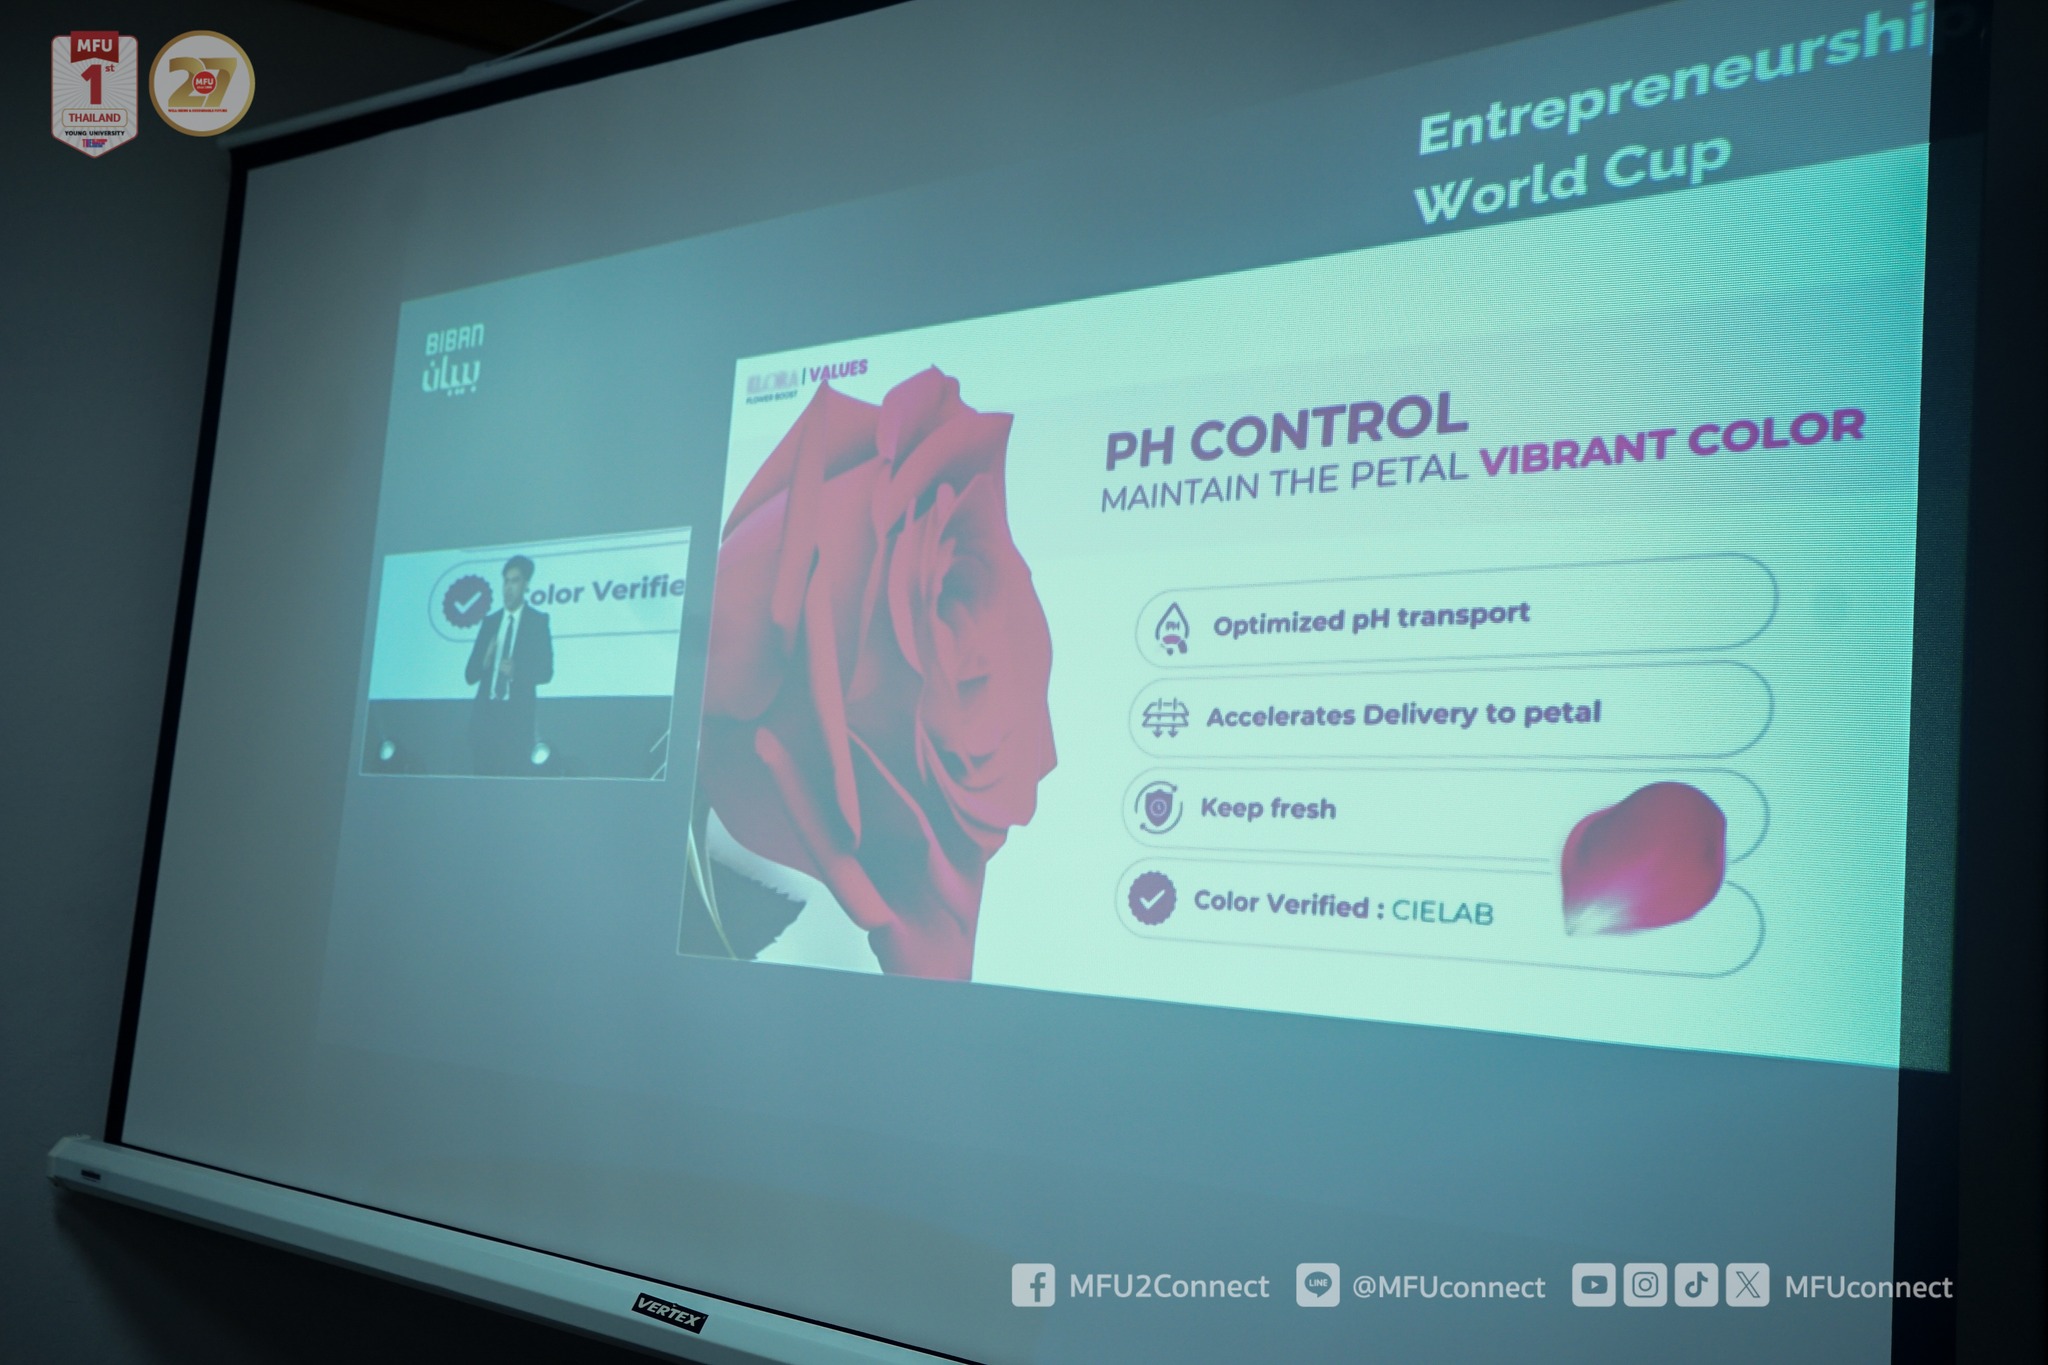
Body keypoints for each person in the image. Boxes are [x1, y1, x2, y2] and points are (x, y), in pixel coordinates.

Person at [464, 554, 554, 775]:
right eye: (506, 581)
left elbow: (546, 671)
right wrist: (485, 661)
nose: (508, 588)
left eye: (515, 581)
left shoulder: (537, 622)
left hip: (516, 721)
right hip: (485, 719)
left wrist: (517, 672)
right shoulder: (490, 623)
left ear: (526, 585)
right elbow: (469, 675)